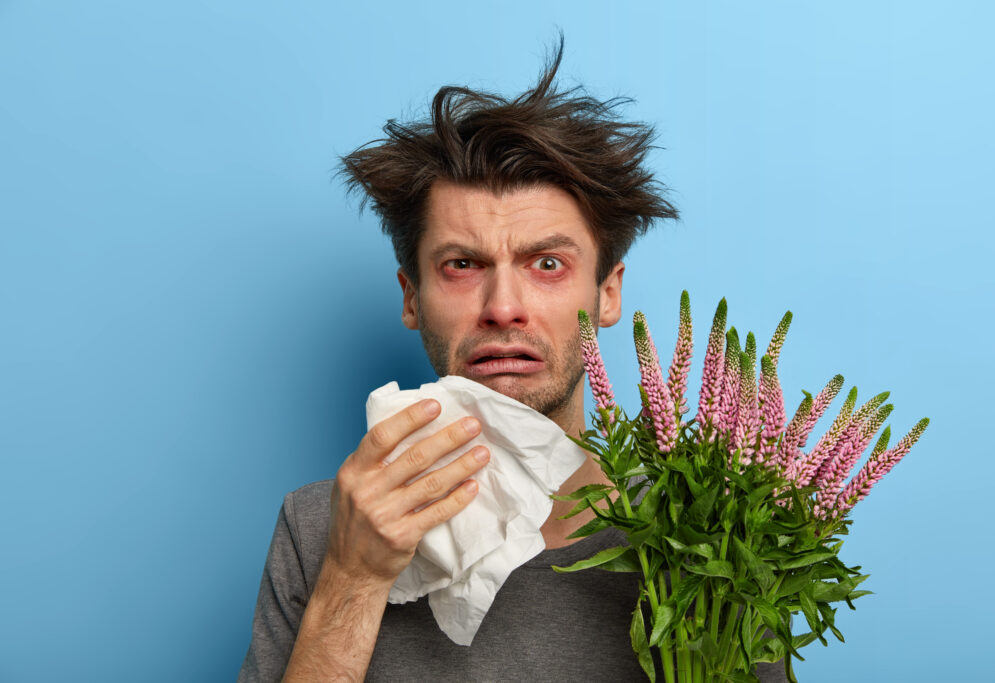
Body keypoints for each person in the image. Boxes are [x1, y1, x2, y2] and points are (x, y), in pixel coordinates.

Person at [239, 37, 784, 682]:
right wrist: (353, 578)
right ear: (412, 297)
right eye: (462, 265)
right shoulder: (320, 529)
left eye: (547, 264)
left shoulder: (715, 533)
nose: (503, 307)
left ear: (607, 292)